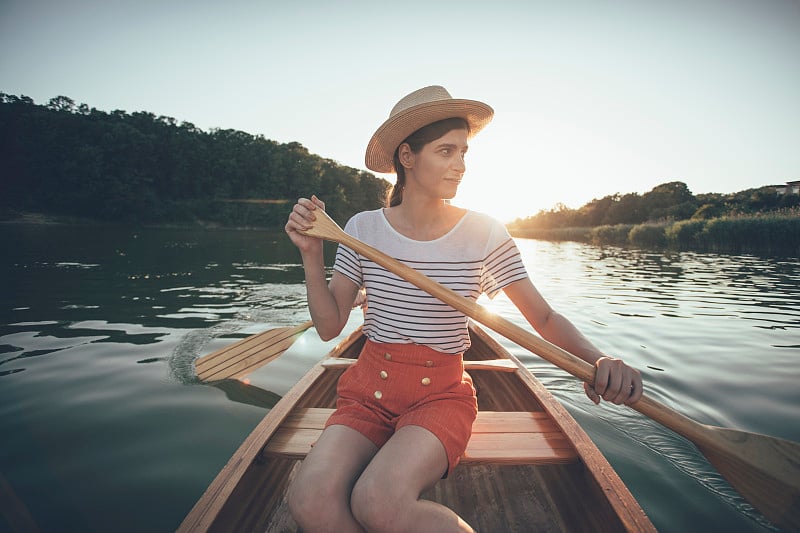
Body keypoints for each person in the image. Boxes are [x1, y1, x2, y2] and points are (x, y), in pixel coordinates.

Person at [284, 85, 643, 533]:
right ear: (408, 157)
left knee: (377, 502)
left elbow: (544, 319)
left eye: (464, 152)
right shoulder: (361, 230)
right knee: (309, 499)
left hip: (440, 394)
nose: (461, 165)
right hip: (367, 393)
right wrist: (311, 254)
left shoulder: (482, 232)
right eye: (446, 151)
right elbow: (329, 326)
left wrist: (598, 360)